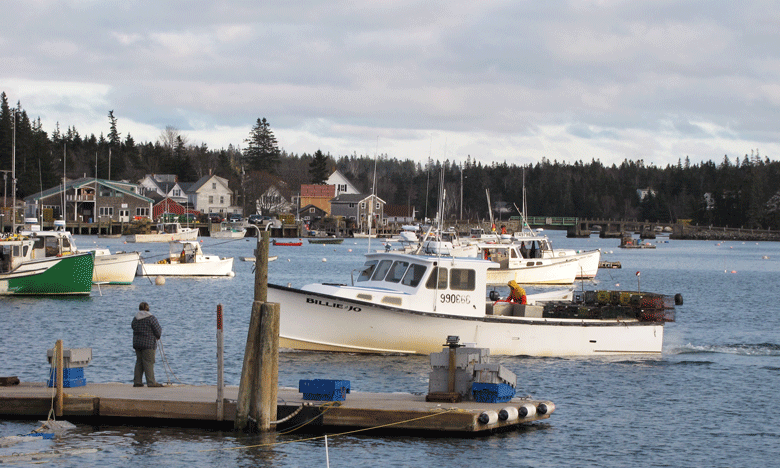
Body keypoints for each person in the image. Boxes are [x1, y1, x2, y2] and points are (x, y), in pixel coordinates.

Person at [132, 302, 164, 387]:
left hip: (137, 344)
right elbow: (158, 331)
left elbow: (132, 326)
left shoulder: (135, 318)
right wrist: (157, 336)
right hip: (148, 344)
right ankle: (151, 382)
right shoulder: (151, 318)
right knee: (149, 362)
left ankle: (137, 382)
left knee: (139, 362)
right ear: (148, 308)